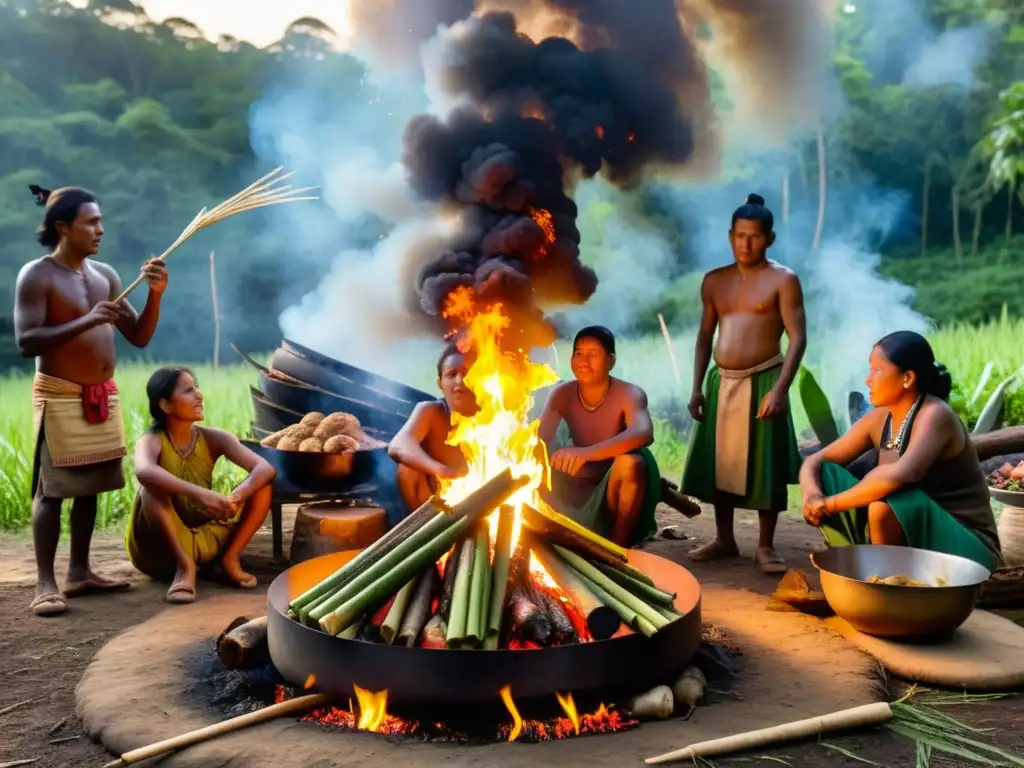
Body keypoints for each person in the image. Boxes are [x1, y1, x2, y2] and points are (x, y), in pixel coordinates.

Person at [14, 185, 168, 616]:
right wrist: (87, 320)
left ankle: (79, 572)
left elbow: (138, 337)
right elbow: (27, 342)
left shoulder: (106, 276)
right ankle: (45, 583)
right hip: (60, 394)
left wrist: (155, 294)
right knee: (52, 491)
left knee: (91, 487)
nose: (100, 229)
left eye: (100, 221)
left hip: (102, 394)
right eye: (91, 222)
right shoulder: (37, 275)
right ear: (64, 226)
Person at [799, 332, 1001, 571]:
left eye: (877, 370)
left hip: (968, 548)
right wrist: (812, 495)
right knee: (826, 472)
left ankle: (886, 584)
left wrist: (830, 504)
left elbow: (899, 476)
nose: (868, 380)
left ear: (907, 378)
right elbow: (816, 460)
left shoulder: (936, 415)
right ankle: (864, 565)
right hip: (917, 548)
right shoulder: (880, 419)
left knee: (885, 505)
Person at [680, 193, 806, 574]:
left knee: (764, 465)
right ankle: (724, 538)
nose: (745, 243)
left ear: (769, 238)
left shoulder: (783, 280)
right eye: (738, 235)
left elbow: (797, 337)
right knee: (722, 462)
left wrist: (780, 389)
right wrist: (697, 386)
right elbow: (705, 336)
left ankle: (766, 546)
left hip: (765, 376)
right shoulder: (714, 281)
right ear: (730, 235)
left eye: (753, 236)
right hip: (722, 381)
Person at [126, 367, 277, 602]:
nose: (199, 395)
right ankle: (185, 569)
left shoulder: (215, 437)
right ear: (165, 405)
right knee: (150, 491)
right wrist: (202, 495)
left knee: (261, 486)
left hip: (204, 536)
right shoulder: (152, 440)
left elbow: (265, 469)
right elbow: (144, 470)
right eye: (188, 390)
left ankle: (230, 558)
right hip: (159, 550)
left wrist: (235, 497)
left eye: (196, 387)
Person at [537, 326, 660, 547]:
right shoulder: (561, 394)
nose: (583, 361)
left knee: (630, 464)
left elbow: (643, 433)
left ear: (611, 360)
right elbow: (540, 439)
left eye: (592, 354)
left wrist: (587, 453)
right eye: (578, 353)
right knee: (532, 460)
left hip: (611, 489)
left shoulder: (629, 393)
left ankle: (617, 548)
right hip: (571, 488)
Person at [388, 343, 476, 513]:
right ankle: (423, 529)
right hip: (436, 507)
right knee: (407, 470)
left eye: (466, 374)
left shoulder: (496, 415)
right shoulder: (431, 411)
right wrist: (440, 470)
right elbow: (398, 445)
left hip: (482, 504)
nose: (459, 381)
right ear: (440, 383)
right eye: (451, 375)